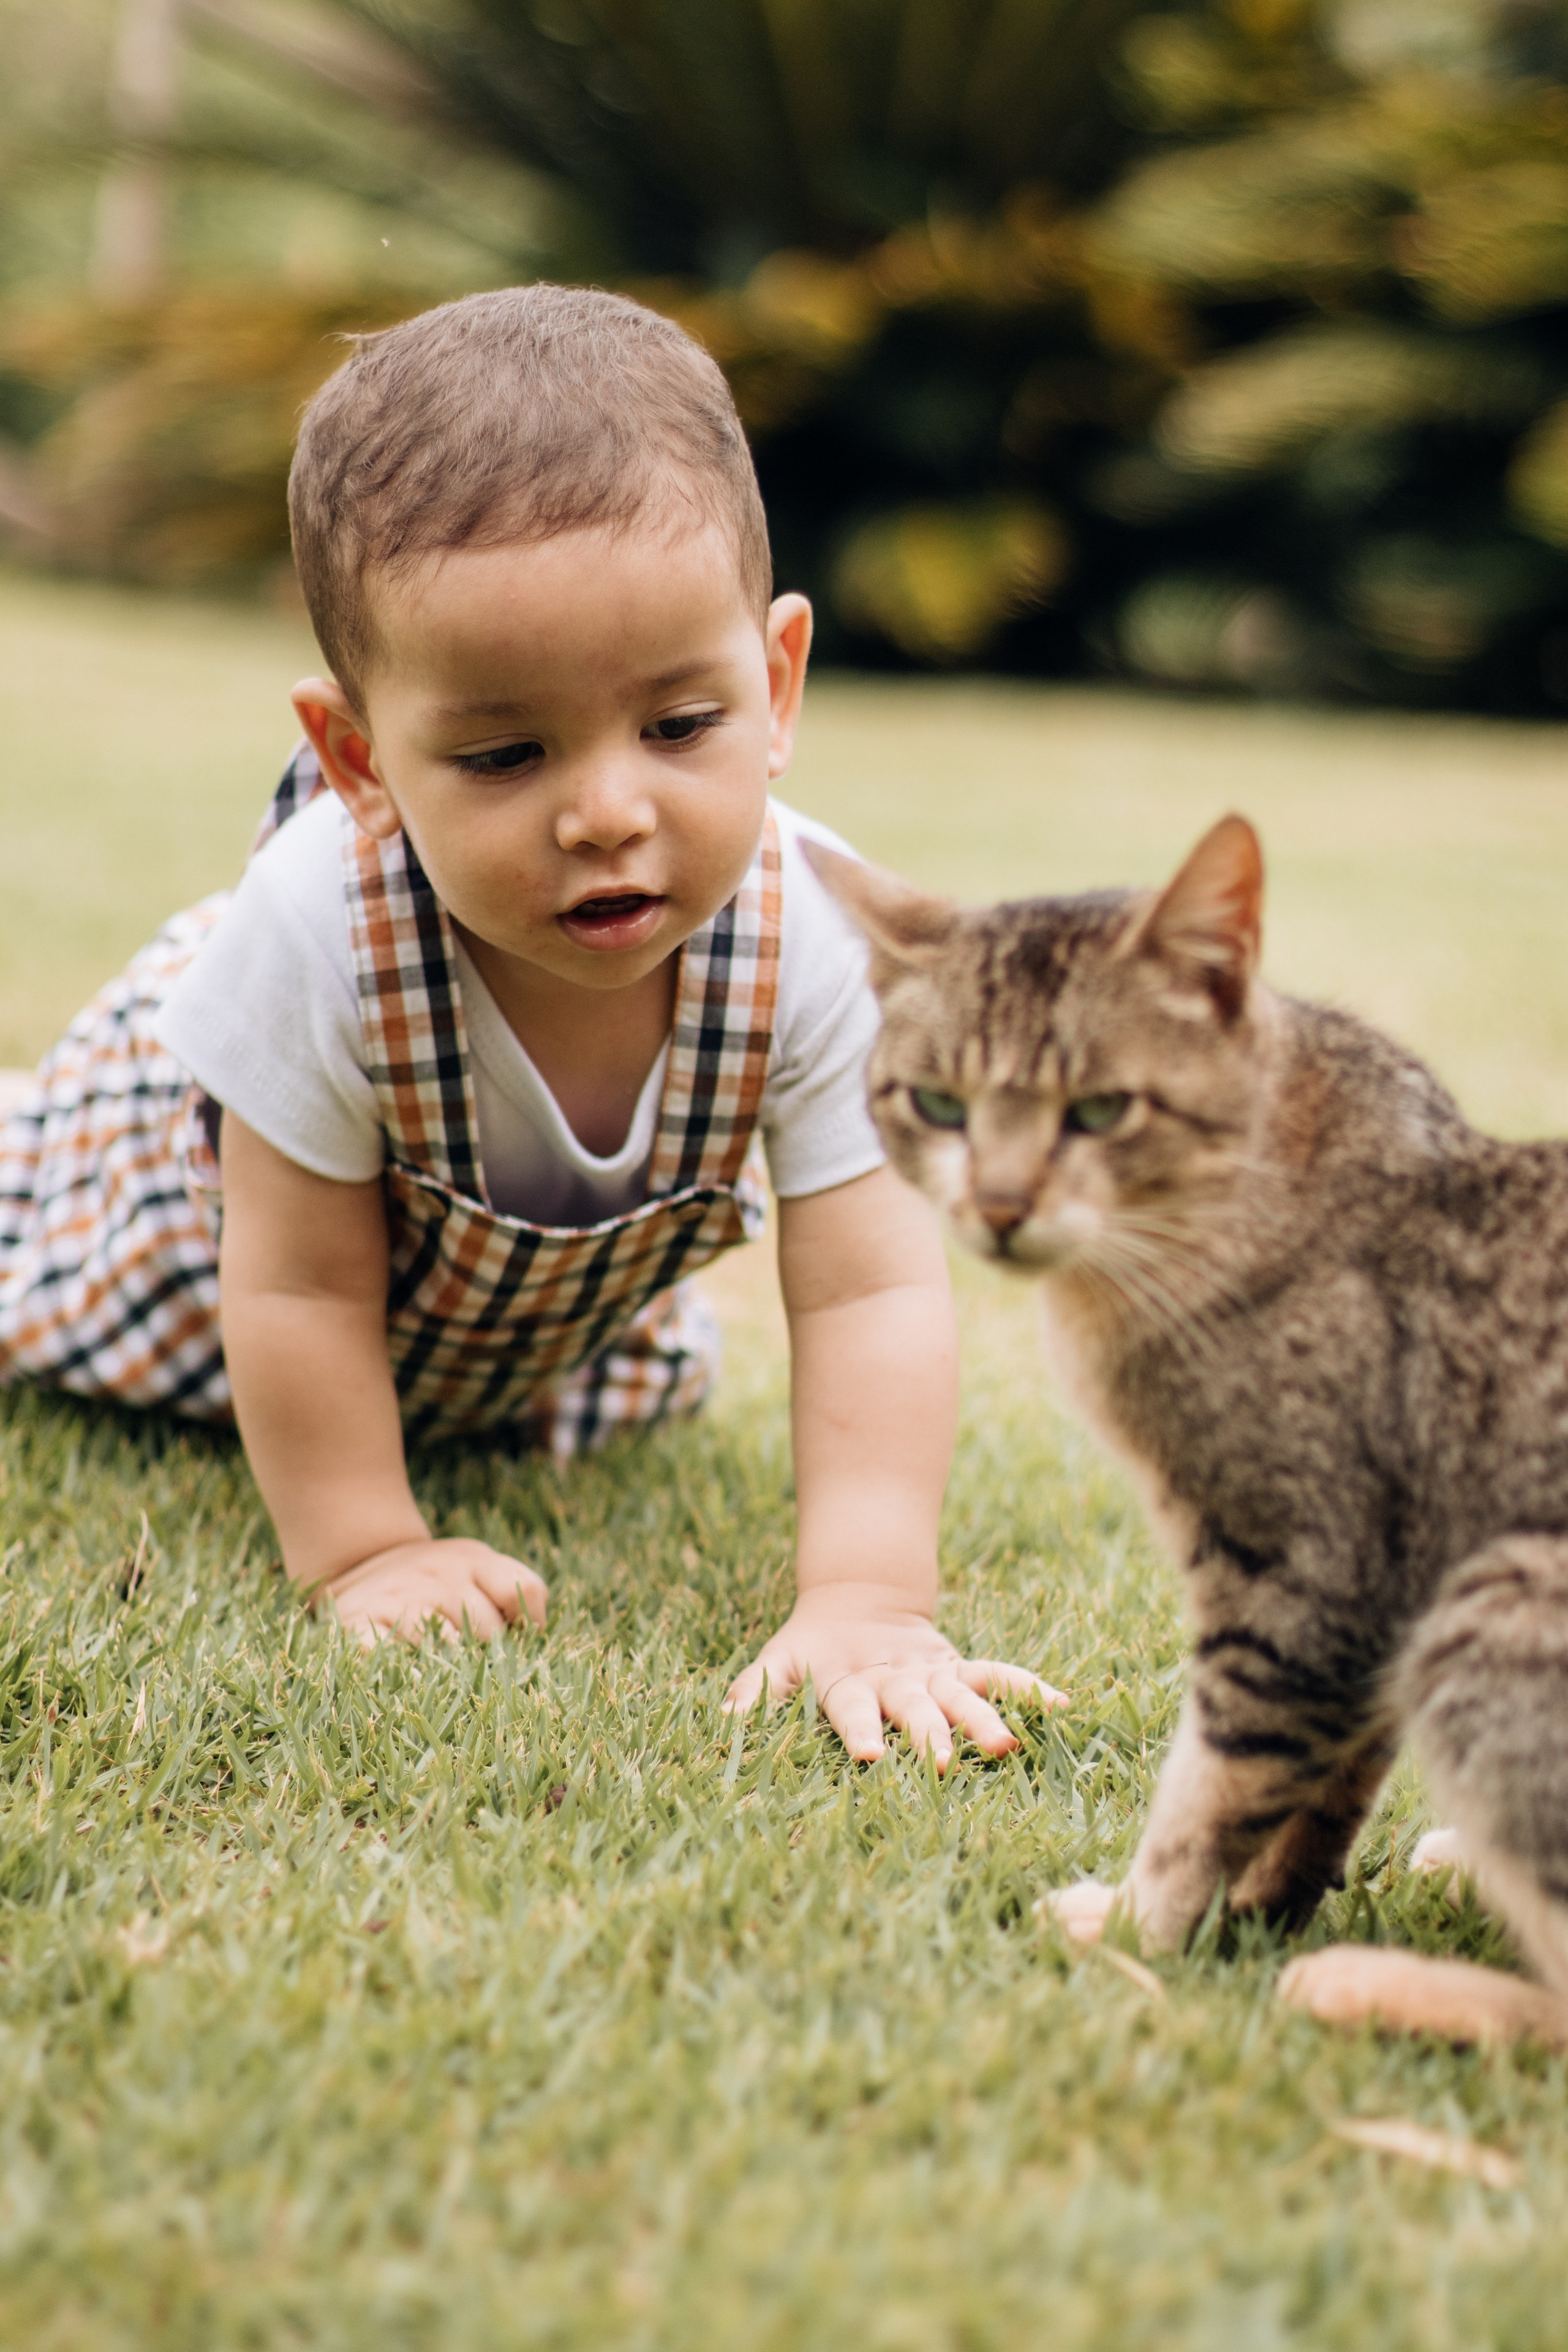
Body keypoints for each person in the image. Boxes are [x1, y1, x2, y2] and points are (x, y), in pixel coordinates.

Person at [0, 285, 1055, 1766]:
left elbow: (868, 1292)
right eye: (502, 753)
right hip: (175, 1248)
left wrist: (868, 1598)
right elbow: (295, 1293)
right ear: (359, 760)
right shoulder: (316, 934)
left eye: (681, 726)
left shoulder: (817, 939)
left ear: (777, 683)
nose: (607, 813)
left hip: (482, 1340)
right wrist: (368, 1552)